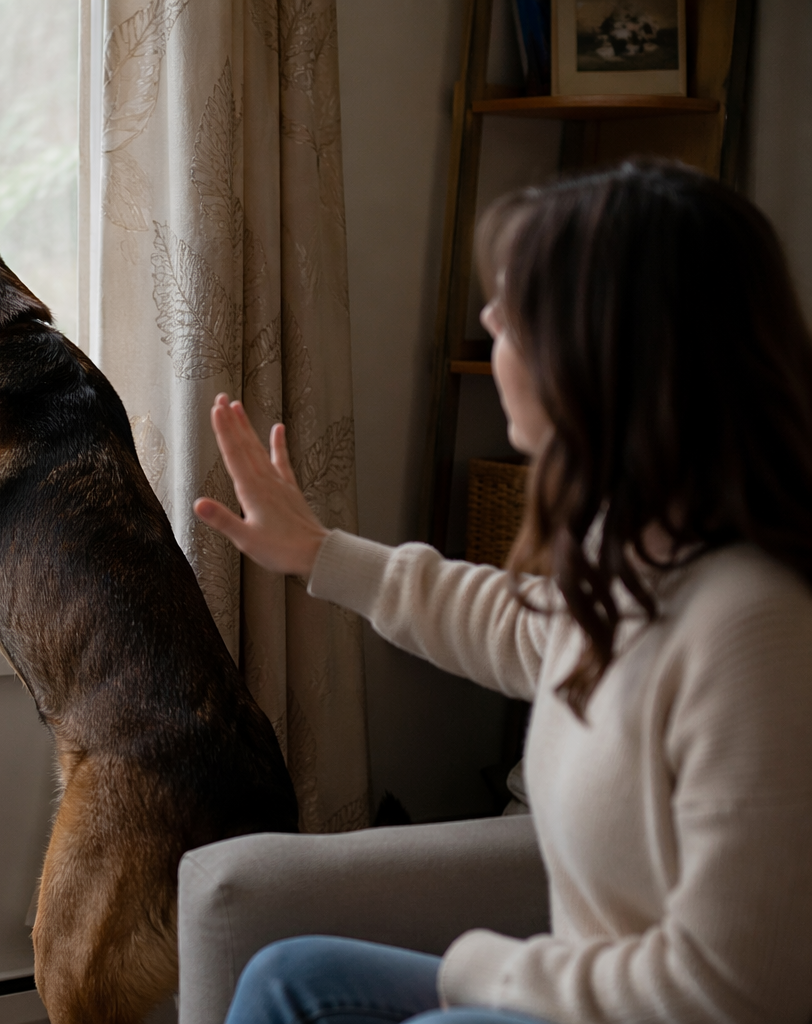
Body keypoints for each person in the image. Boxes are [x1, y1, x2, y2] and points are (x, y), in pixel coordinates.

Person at [194, 161, 812, 1024]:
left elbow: (734, 992)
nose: (487, 323)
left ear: (607, 349)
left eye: (515, 308)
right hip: (582, 993)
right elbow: (524, 631)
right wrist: (317, 553)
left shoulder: (753, 624)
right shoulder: (637, 550)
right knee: (287, 978)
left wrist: (486, 970)